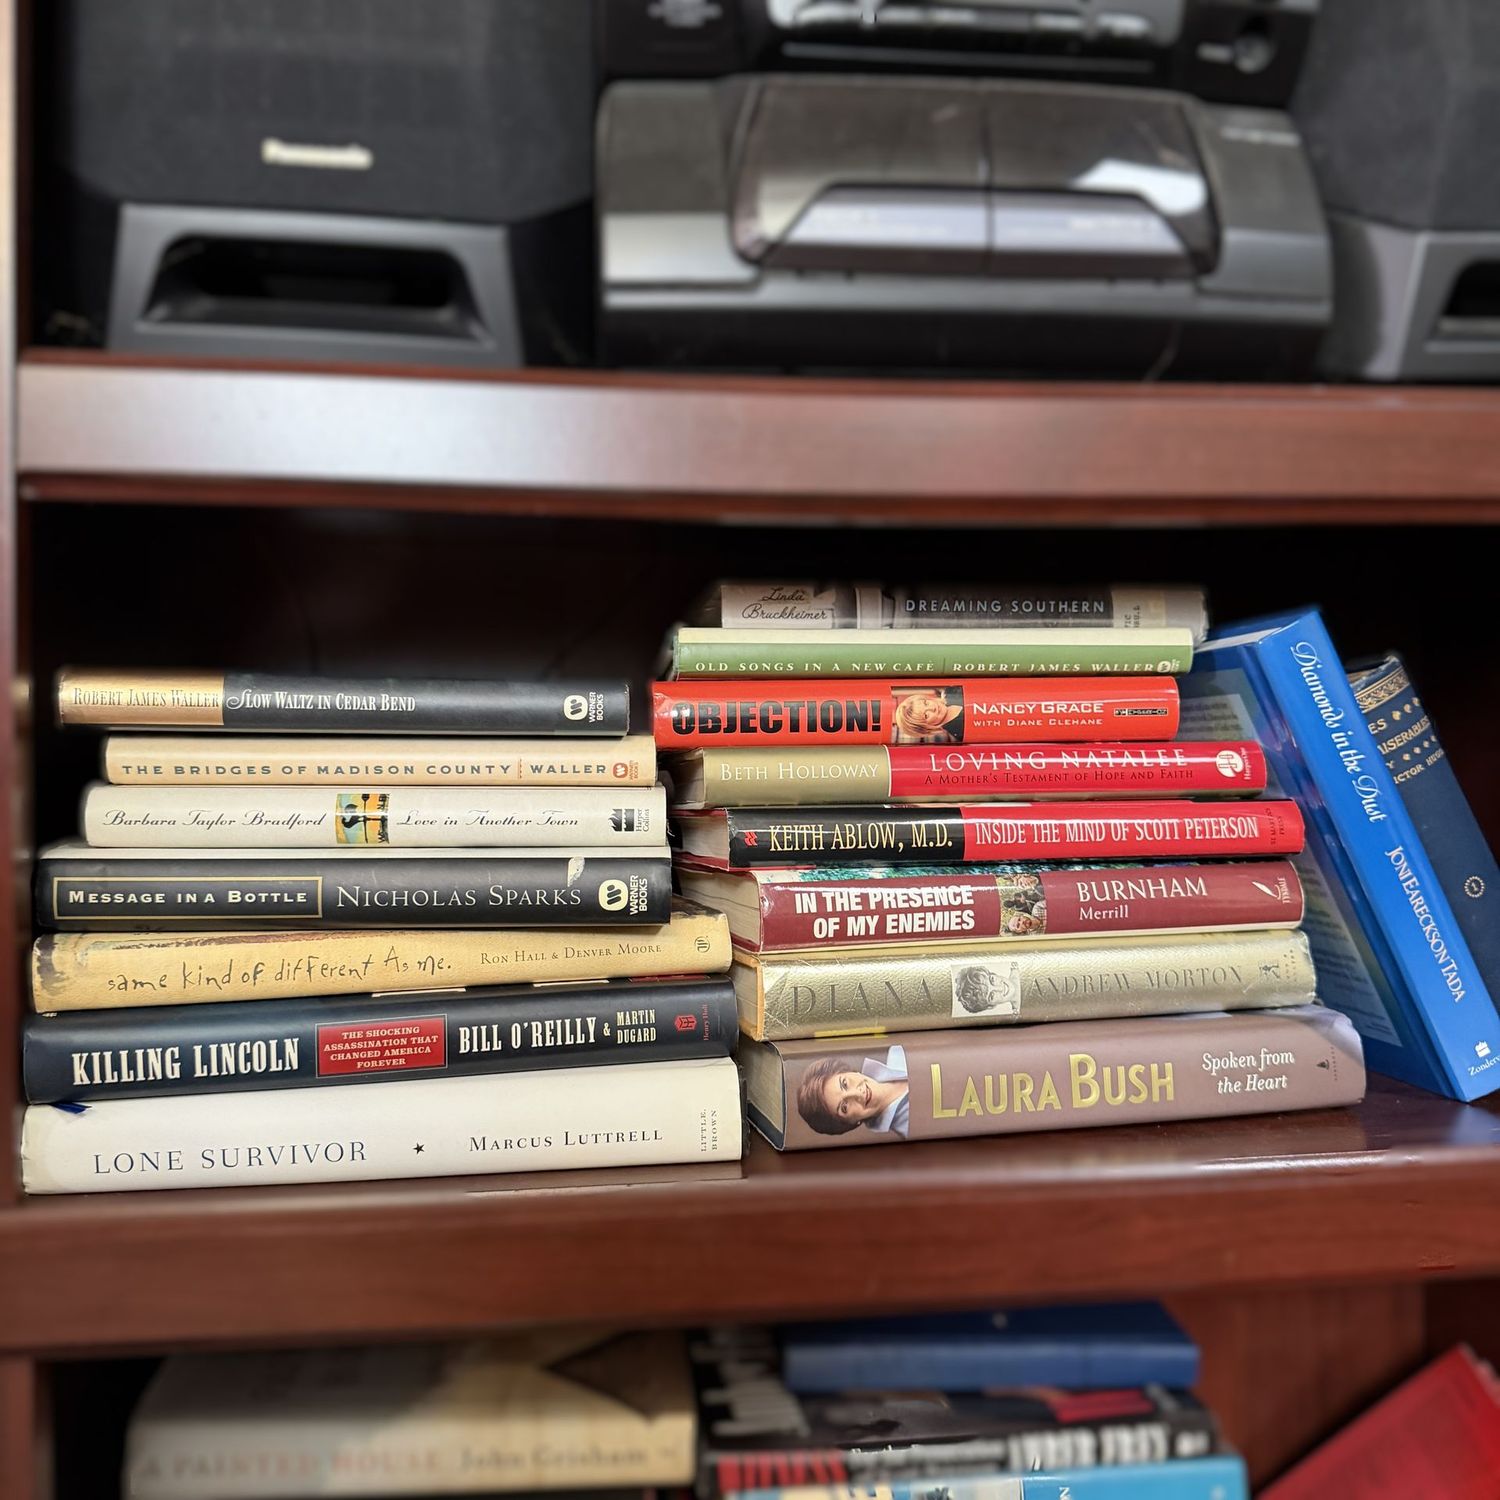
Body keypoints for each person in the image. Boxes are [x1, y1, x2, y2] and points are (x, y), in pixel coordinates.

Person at [795, 1046, 909, 1138]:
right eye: (844, 1107)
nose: (858, 1095)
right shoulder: (910, 1130)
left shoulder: (900, 1050)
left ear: (850, 1071)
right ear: (851, 1123)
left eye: (844, 1084)